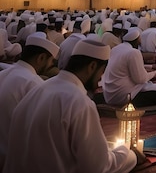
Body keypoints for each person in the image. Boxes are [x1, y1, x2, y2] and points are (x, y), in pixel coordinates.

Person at [4, 39, 145, 173]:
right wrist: (130, 155)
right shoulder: (79, 102)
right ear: (92, 67)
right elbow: (98, 167)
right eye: (102, 73)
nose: (100, 80)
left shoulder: (37, 90)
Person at [0, 34, 59, 167]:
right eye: (50, 61)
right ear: (41, 58)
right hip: (13, 161)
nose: (50, 65)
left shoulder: (3, 73)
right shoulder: (34, 84)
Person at [102, 28, 156, 107]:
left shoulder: (116, 49)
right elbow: (140, 79)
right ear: (136, 41)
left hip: (110, 96)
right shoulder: (133, 52)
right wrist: (154, 73)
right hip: (126, 96)